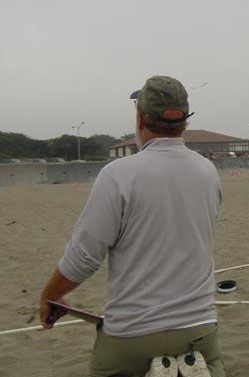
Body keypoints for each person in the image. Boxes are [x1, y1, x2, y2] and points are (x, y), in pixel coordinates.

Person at [39, 75, 225, 376]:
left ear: (140, 118)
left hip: (132, 334)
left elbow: (83, 258)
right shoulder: (208, 172)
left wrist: (50, 295)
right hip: (199, 329)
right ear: (184, 122)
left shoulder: (118, 175)